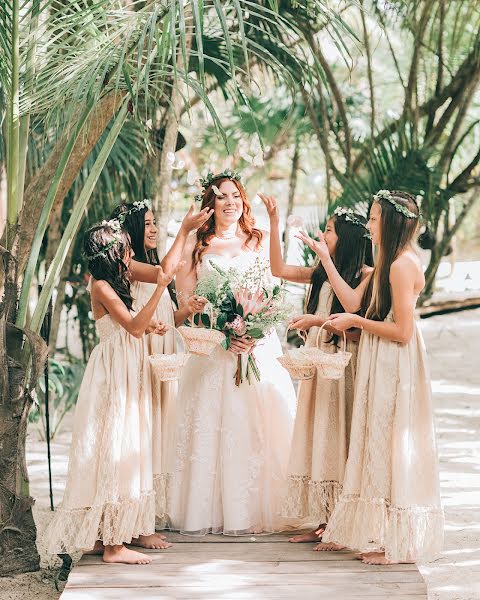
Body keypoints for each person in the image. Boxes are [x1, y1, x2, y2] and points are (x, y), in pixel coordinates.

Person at [298, 190, 444, 564]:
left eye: (375, 218)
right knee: (380, 444)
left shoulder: (399, 266)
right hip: (384, 357)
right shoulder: (390, 261)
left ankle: (399, 546)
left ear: (392, 223)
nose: (369, 225)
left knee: (392, 444)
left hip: (395, 361)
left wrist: (355, 322)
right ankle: (386, 538)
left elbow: (403, 331)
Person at [166, 171, 297, 535]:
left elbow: (273, 290)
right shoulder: (196, 244)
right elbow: (188, 302)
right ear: (211, 203)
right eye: (221, 196)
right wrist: (223, 332)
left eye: (235, 196)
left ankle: (260, 508)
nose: (229, 202)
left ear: (243, 201)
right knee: (214, 424)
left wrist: (252, 331)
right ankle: (213, 511)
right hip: (213, 349)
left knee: (259, 422)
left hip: (257, 344)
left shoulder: (259, 239)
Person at [45, 221, 177, 564]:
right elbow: (131, 328)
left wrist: (152, 324)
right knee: (114, 446)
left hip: (124, 367)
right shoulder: (101, 285)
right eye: (127, 249)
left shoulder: (116, 284)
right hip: (112, 375)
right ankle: (114, 547)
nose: (132, 254)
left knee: (116, 446)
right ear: (114, 253)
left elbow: (131, 323)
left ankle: (102, 534)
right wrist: (160, 290)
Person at [261, 195, 373, 549]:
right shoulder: (321, 274)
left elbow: (357, 326)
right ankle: (324, 521)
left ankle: (341, 525)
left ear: (349, 240)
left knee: (340, 438)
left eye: (329, 230)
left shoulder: (366, 276)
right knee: (319, 438)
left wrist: (316, 321)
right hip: (316, 365)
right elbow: (278, 270)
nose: (323, 235)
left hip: (343, 368)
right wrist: (274, 221)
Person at [110, 201, 211, 525]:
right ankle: (140, 518)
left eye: (156, 224)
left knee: (161, 429)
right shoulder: (131, 266)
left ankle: (150, 514)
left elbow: (167, 314)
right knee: (147, 429)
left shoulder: (149, 262)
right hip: (145, 355)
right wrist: (184, 229)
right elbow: (163, 274)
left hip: (164, 350)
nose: (153, 230)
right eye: (149, 224)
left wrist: (186, 311)